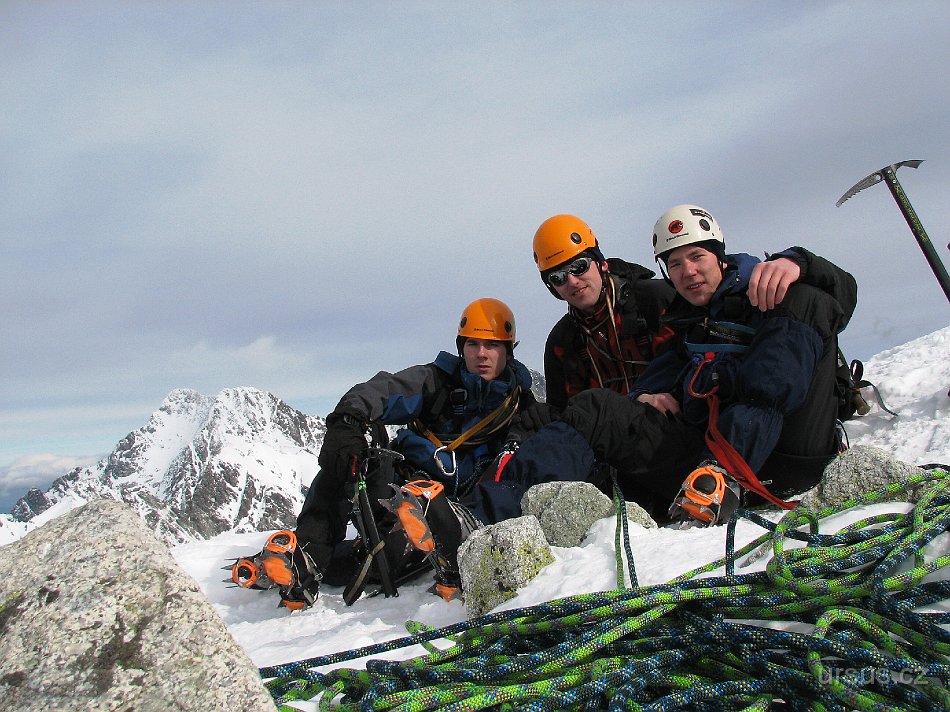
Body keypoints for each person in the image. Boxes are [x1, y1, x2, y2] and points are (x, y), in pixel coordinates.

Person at [472, 205, 857, 528]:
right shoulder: (685, 323)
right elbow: (651, 378)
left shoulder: (771, 290)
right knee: (595, 408)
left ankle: (719, 479)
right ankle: (484, 518)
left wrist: (801, 262)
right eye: (675, 263)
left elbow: (840, 296)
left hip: (781, 455)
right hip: (703, 459)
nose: (688, 271)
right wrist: (647, 396)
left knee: (803, 302)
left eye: (697, 257)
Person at [230, 298, 545, 609]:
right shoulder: (435, 382)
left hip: (451, 510)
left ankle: (311, 564)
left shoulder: (520, 409)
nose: (481, 354)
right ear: (461, 347)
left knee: (383, 558)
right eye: (473, 344)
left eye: (492, 345)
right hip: (400, 486)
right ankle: (308, 553)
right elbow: (383, 390)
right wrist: (348, 422)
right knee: (350, 459)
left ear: (508, 350)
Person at [533, 214, 833, 410]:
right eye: (558, 277)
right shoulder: (562, 341)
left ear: (600, 262)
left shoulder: (656, 299)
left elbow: (684, 357)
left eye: (579, 266)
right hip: (610, 435)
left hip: (673, 417)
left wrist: (798, 261)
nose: (571, 281)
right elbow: (562, 410)